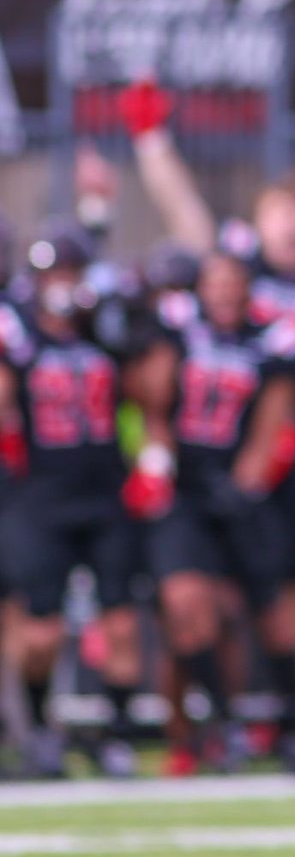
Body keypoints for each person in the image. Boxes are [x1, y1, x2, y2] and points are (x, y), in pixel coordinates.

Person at [127, 245, 295, 773]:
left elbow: (274, 420)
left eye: (235, 282)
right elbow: (154, 402)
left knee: (274, 615)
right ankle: (221, 726)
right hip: (185, 491)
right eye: (216, 282)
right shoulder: (177, 330)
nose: (226, 293)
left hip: (245, 490)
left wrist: (245, 483)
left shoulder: (274, 339)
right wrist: (159, 459)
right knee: (188, 605)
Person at [0, 225, 143, 778]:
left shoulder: (106, 331)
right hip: (40, 495)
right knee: (41, 634)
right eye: (51, 275)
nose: (61, 286)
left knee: (122, 624)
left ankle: (116, 736)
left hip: (105, 493)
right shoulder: (20, 337)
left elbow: (148, 389)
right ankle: (40, 730)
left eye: (70, 274)